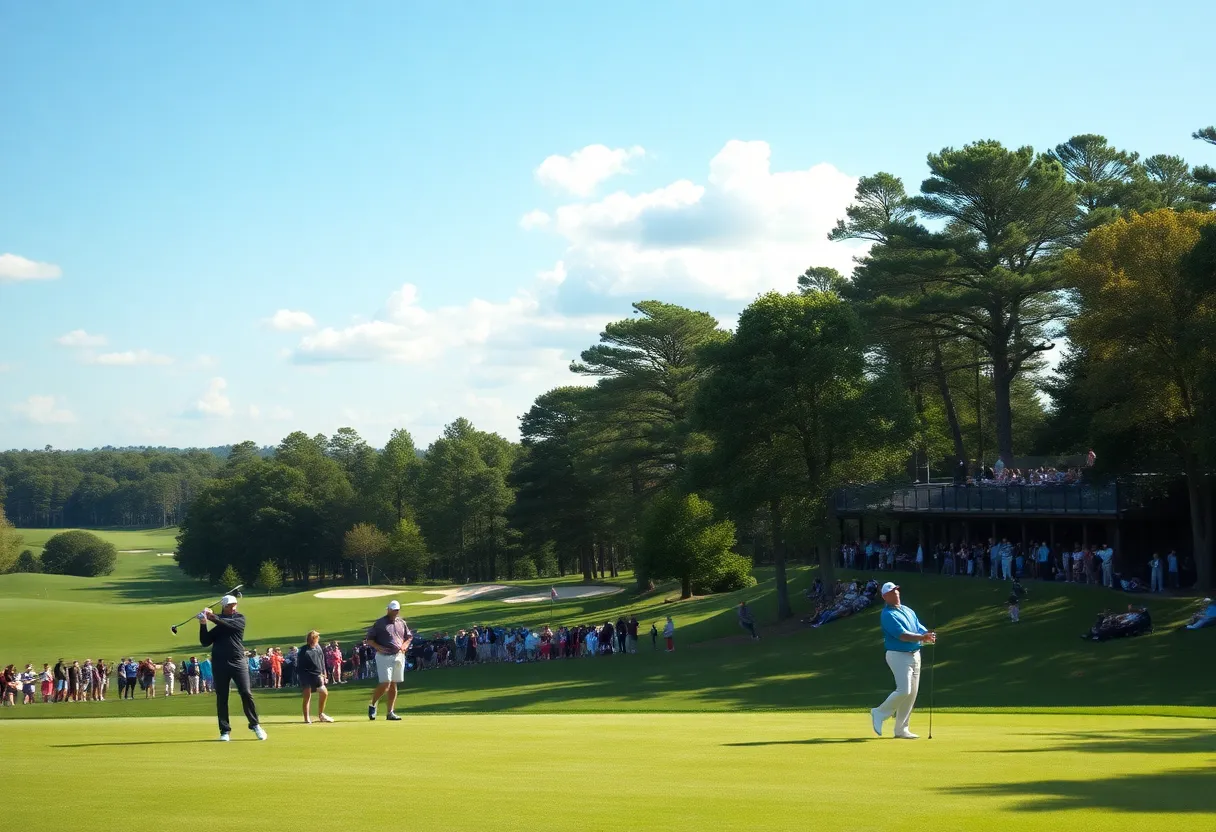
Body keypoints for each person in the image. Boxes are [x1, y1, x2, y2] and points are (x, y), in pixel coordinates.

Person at [870, 582, 936, 739]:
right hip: (897, 654)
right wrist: (922, 637)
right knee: (904, 689)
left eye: (896, 590)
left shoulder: (907, 610)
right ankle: (879, 712)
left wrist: (928, 634)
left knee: (912, 693)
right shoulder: (887, 615)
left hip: (915, 654)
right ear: (885, 597)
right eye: (892, 592)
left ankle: (901, 729)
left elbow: (918, 627)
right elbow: (903, 635)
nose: (896, 593)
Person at [199, 594, 266, 741]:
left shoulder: (239, 619)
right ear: (224, 607)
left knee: (246, 693)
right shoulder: (218, 626)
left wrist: (212, 617)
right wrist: (203, 623)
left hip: (238, 661)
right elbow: (205, 641)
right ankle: (225, 731)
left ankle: (255, 725)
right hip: (219, 663)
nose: (234, 607)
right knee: (222, 696)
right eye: (230, 605)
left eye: (235, 604)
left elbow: (229, 625)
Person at [366, 600, 411, 721]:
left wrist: (405, 645)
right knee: (386, 682)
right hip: (383, 656)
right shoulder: (380, 623)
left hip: (398, 655)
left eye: (397, 610)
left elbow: (408, 637)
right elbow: (369, 639)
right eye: (393, 609)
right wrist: (377, 647)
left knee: (393, 684)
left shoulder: (402, 622)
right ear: (388, 610)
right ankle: (373, 704)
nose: (395, 612)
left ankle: (390, 712)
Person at [298, 630, 334, 724]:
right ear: (313, 639)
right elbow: (300, 666)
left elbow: (322, 661)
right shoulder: (303, 650)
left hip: (317, 675)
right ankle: (306, 718)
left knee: (324, 692)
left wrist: (324, 673)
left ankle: (321, 714)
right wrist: (303, 677)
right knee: (307, 695)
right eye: (317, 637)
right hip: (306, 675)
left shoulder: (318, 648)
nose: (318, 639)